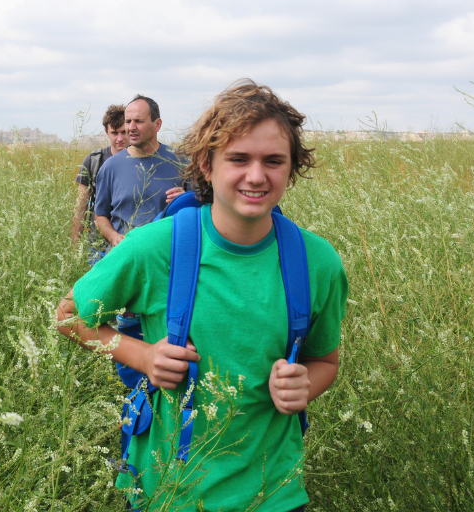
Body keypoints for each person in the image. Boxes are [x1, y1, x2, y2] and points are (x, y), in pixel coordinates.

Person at [56, 80, 348, 511]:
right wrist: (143, 357)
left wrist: (306, 385)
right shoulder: (155, 247)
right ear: (205, 166)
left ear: (291, 168)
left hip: (275, 494)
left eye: (273, 160)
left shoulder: (317, 261)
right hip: (168, 491)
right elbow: (67, 315)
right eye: (237, 159)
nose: (256, 175)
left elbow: (325, 361)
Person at [93, 95, 185, 250]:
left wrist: (186, 199)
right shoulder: (110, 167)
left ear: (157, 124)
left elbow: (203, 208)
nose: (131, 127)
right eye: (128, 121)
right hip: (125, 256)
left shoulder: (181, 161)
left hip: (166, 256)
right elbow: (100, 216)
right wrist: (114, 237)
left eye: (138, 121)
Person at [71, 104, 129, 263]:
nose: (120, 138)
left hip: (128, 241)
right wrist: (76, 248)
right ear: (106, 132)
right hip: (96, 244)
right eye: (114, 133)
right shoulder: (93, 160)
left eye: (124, 132)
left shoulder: (139, 159)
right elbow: (81, 207)